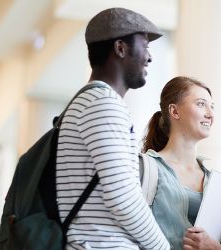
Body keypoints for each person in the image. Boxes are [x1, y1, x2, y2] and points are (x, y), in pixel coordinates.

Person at [55, 8, 169, 249]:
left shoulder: (88, 102)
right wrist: (162, 247)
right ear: (120, 48)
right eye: (145, 46)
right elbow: (124, 199)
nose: (149, 58)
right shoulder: (103, 104)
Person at [141, 76, 221, 250]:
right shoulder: (146, 168)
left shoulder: (217, 184)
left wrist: (214, 247)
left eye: (212, 107)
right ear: (174, 111)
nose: (210, 114)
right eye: (201, 104)